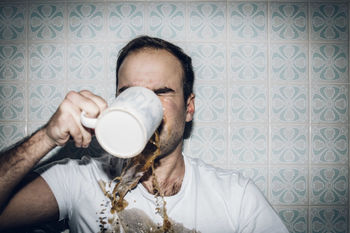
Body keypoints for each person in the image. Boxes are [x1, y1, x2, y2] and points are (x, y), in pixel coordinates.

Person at [0, 36, 288, 233]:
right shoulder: (81, 178)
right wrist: (46, 137)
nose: (145, 104)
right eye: (131, 93)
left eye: (162, 92)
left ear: (189, 107)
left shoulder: (234, 196)